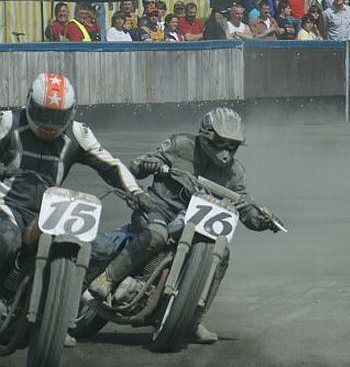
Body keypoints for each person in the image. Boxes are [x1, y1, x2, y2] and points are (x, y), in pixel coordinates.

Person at [88, 107, 282, 344]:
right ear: (207, 135)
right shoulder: (180, 144)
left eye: (233, 145)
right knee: (157, 235)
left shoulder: (235, 173)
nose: (227, 151)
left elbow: (245, 206)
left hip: (194, 226)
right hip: (157, 210)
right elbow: (138, 165)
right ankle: (107, 278)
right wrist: (148, 163)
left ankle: (194, 319)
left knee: (222, 255)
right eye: (222, 142)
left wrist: (264, 220)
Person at [0, 73, 152, 301]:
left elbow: (112, 166)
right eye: (43, 113)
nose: (49, 123)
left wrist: (137, 192)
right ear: (30, 103)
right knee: (8, 239)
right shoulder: (8, 122)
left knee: (99, 249)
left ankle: (64, 307)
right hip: (6, 207)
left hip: (50, 212)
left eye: (57, 116)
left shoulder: (79, 134)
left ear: (70, 113)